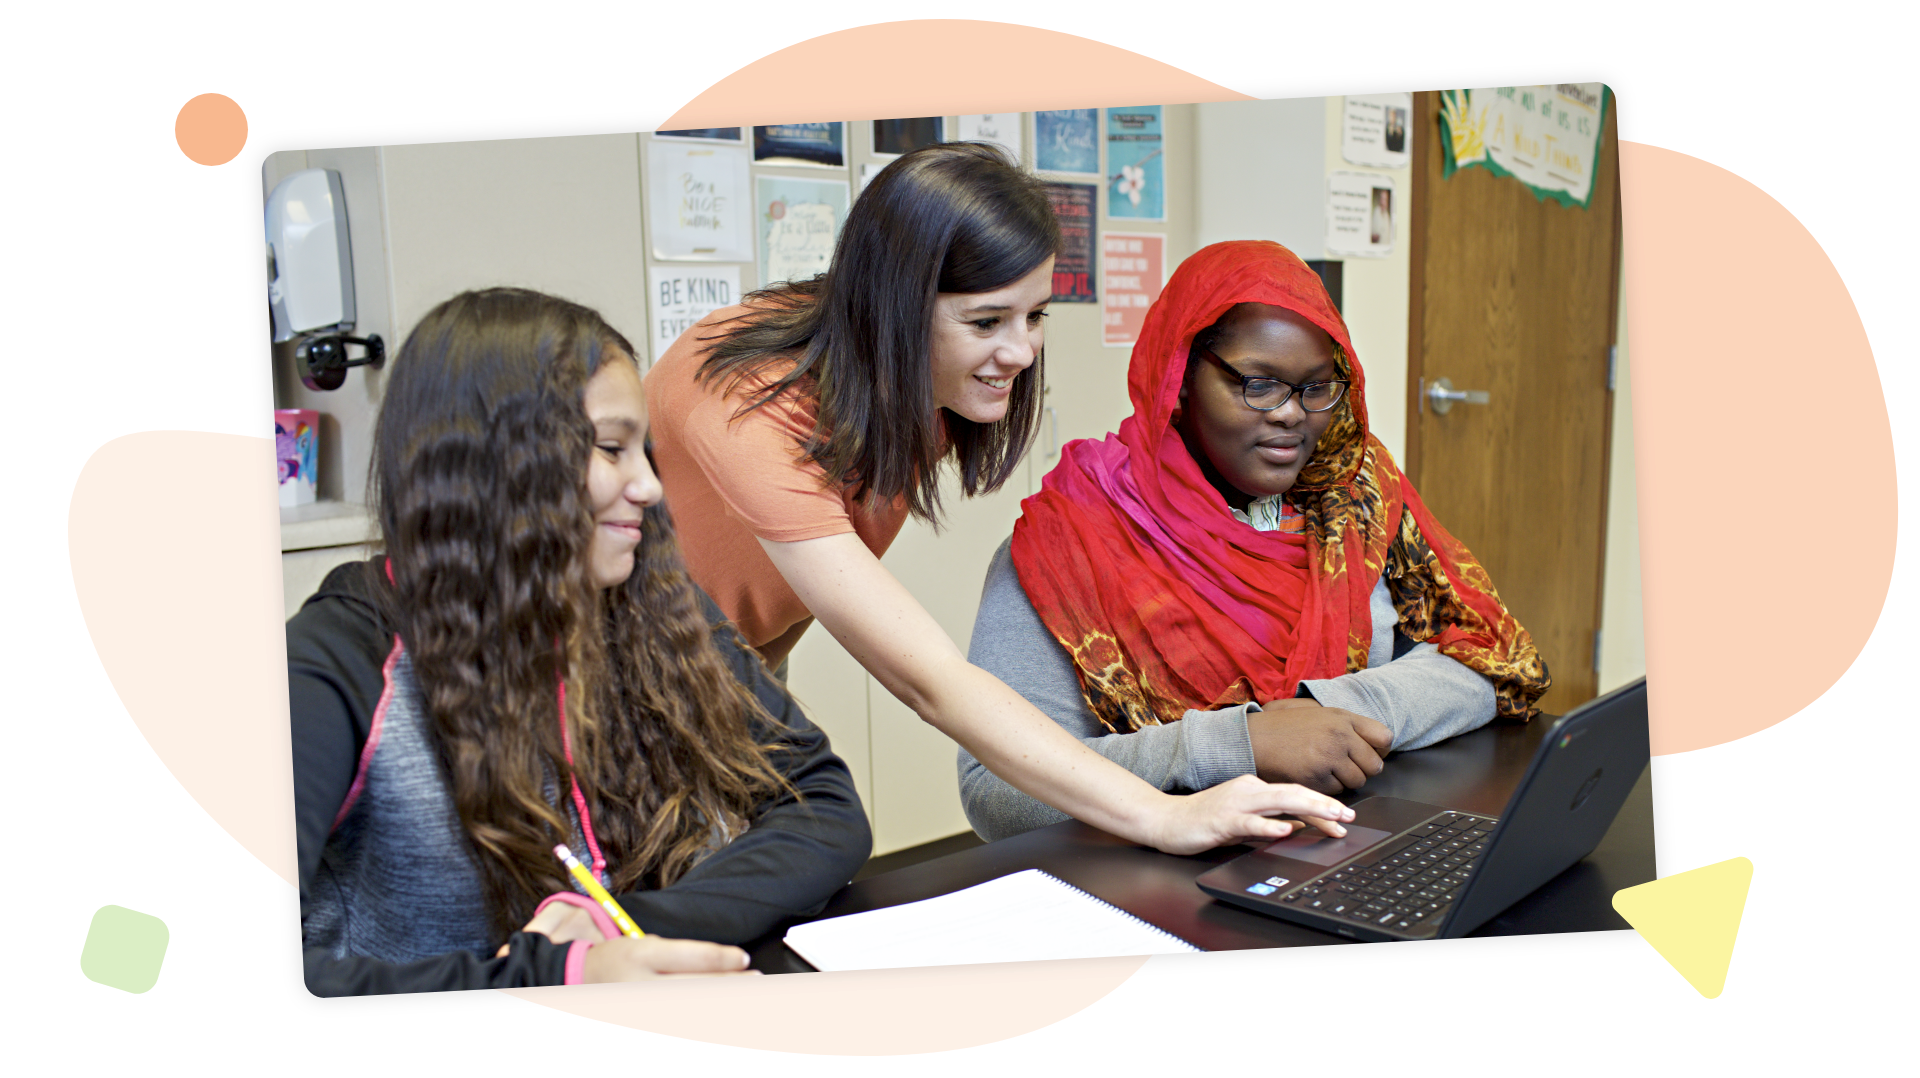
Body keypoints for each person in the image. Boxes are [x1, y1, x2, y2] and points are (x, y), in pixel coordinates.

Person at [645, 144, 1355, 856]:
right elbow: (932, 682)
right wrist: (1163, 816)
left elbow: (774, 598)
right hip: (603, 673)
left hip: (723, 659)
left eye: (1035, 315)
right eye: (987, 323)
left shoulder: (914, 377)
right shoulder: (753, 408)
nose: (1020, 352)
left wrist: (747, 694)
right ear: (895, 306)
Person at [289, 288, 871, 995]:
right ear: (497, 459)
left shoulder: (650, 606)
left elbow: (822, 803)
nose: (650, 486)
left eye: (644, 451)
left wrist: (625, 928)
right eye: (610, 449)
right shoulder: (342, 655)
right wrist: (549, 971)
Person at [960, 240, 1551, 841]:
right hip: (1155, 880)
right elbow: (999, 793)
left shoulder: (1355, 501)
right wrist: (1238, 744)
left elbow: (1491, 659)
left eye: (1317, 388)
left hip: (1339, 846)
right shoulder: (1071, 545)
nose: (1292, 415)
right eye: (1260, 385)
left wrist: (1323, 711)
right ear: (1180, 376)